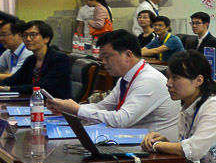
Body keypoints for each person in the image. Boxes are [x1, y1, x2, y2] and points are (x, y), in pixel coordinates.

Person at [45, 29, 178, 139]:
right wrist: (68, 109)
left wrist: (77, 110)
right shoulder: (126, 78)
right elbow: (102, 107)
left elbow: (122, 120)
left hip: (156, 152)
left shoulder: (148, 80)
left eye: (107, 57)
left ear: (128, 55)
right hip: (132, 140)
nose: (103, 62)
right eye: (102, 58)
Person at [3, 21, 71, 97]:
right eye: (25, 35)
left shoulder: (60, 59)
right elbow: (13, 80)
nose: (28, 39)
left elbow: (43, 87)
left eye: (33, 35)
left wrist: (7, 89)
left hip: (56, 102)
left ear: (46, 39)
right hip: (32, 101)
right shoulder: (30, 60)